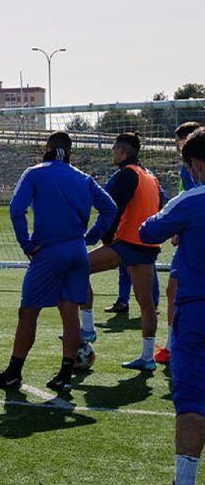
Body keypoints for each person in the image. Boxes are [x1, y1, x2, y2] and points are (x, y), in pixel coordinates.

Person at [0, 132, 117, 393]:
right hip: (77, 251)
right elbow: (110, 208)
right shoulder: (83, 178)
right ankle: (66, 374)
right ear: (70, 153)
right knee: (70, 312)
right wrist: (90, 238)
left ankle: (14, 372)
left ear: (47, 148)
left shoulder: (34, 173)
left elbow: (16, 210)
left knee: (28, 311)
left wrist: (26, 244)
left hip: (49, 251)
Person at [139, 126, 205, 485]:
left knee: (192, 400)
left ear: (196, 164)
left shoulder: (191, 200)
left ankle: (185, 480)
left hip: (196, 312)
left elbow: (149, 231)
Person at [79, 132, 166, 370]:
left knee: (78, 268)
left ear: (122, 152)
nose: (111, 153)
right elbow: (161, 204)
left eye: (114, 149)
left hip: (127, 243)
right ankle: (147, 358)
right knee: (146, 303)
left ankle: (87, 329)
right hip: (147, 246)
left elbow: (112, 211)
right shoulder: (150, 176)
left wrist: (103, 238)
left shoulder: (126, 175)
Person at [156, 121, 202, 365]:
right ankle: (172, 343)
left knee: (177, 290)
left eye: (181, 142)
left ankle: (176, 345)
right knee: (172, 289)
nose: (177, 147)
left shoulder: (191, 168)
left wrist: (178, 228)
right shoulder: (187, 168)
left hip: (192, 238)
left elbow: (189, 200)